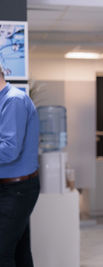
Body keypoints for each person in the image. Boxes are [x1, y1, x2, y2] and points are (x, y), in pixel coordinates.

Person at [0, 64, 40, 266]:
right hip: (10, 188)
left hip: (17, 189)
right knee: (19, 251)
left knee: (2, 252)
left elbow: (8, 149)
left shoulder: (13, 100)